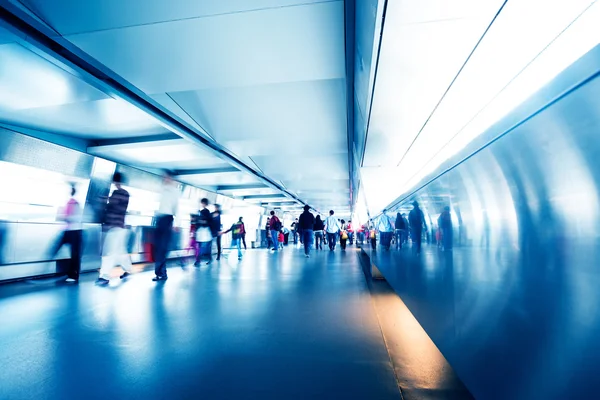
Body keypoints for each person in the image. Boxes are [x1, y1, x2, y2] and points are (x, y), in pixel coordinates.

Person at [96, 172, 133, 285]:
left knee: (109, 252)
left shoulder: (118, 193)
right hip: (120, 226)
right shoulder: (125, 193)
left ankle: (105, 276)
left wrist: (104, 200)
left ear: (114, 181)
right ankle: (128, 270)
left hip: (114, 226)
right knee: (120, 251)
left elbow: (113, 205)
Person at [50, 184, 82, 283]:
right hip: (68, 230)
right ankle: (71, 274)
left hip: (75, 230)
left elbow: (76, 217)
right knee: (55, 248)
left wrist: (64, 217)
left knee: (75, 254)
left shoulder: (75, 203)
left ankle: (74, 275)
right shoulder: (69, 202)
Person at [153, 171, 179, 281]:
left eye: (167, 178)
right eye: (164, 178)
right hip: (160, 219)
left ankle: (162, 273)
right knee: (158, 248)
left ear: (171, 179)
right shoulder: (162, 190)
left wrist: (176, 224)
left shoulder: (174, 191)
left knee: (162, 248)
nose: (165, 179)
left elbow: (176, 207)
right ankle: (160, 273)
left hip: (167, 219)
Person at [195, 198, 213, 265]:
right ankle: (200, 260)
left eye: (203, 203)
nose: (202, 204)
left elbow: (208, 221)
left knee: (203, 247)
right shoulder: (201, 211)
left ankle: (199, 260)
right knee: (202, 247)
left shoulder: (206, 212)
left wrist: (201, 221)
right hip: (202, 231)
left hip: (205, 232)